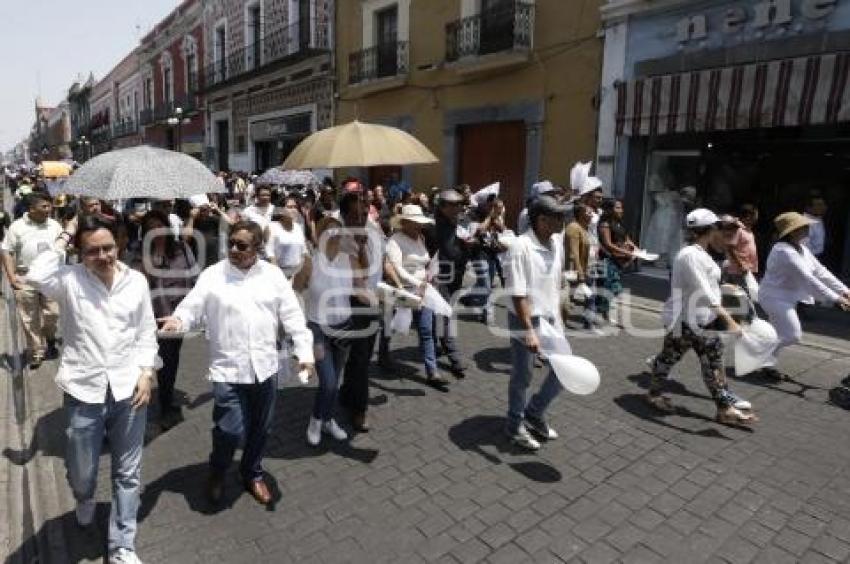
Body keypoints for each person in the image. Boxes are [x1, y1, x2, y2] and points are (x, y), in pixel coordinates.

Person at [26, 215, 158, 564]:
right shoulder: (68, 280)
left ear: (119, 244)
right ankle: (84, 498)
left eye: (108, 247)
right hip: (84, 391)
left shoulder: (137, 282)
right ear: (79, 253)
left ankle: (122, 545)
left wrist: (147, 371)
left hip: (131, 389)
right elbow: (36, 275)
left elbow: (146, 332)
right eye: (92, 251)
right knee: (82, 471)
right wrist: (63, 235)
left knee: (128, 472)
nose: (103, 256)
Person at [159, 220, 314, 505]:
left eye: (241, 245)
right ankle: (218, 470)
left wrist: (304, 352)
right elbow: (193, 305)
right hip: (228, 369)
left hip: (265, 368)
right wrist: (179, 319)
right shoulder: (213, 275)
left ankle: (252, 473)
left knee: (261, 429)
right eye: (230, 243)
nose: (233, 249)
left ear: (257, 248)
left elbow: (292, 315)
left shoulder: (273, 276)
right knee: (229, 430)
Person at [645, 209, 756, 424]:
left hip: (703, 320)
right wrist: (730, 321)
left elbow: (710, 286)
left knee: (714, 363)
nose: (722, 233)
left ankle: (724, 409)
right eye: (719, 228)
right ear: (711, 229)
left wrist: (727, 289)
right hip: (683, 322)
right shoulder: (690, 256)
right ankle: (653, 393)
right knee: (668, 359)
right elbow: (703, 292)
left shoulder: (702, 254)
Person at [504, 195, 570, 450]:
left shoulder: (555, 243)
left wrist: (558, 321)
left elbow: (553, 286)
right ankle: (514, 425)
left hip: (549, 317)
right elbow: (518, 293)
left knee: (565, 370)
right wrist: (528, 331)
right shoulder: (520, 247)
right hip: (526, 318)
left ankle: (534, 411)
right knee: (523, 376)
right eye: (558, 216)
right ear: (541, 220)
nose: (563, 220)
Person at [293, 216, 363, 446]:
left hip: (343, 326)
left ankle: (328, 420)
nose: (333, 235)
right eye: (327, 231)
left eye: (337, 231)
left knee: (337, 376)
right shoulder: (310, 261)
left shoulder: (349, 260)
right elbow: (294, 291)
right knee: (329, 382)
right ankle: (315, 421)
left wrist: (391, 299)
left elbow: (361, 291)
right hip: (317, 327)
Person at [758, 212, 850, 378]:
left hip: (787, 298)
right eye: (803, 226)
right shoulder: (784, 251)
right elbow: (808, 279)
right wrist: (835, 299)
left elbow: (821, 272)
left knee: (779, 334)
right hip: (774, 298)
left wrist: (845, 291)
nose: (808, 228)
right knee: (792, 335)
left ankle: (766, 365)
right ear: (792, 231)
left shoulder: (801, 248)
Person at [134, 210, 198, 429]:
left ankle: (165, 400)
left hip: (178, 313)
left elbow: (194, 276)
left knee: (170, 359)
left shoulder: (181, 248)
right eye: (150, 227)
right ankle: (161, 403)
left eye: (158, 226)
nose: (156, 231)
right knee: (158, 358)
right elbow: (135, 284)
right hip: (152, 315)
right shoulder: (140, 253)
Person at [337, 190, 387, 432]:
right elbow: (356, 276)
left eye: (365, 213)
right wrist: (360, 247)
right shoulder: (337, 237)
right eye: (356, 215)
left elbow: (384, 263)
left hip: (374, 300)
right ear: (344, 215)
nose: (361, 218)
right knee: (359, 359)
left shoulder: (374, 231)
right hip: (352, 302)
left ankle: (348, 393)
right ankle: (359, 409)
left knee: (364, 356)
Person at [386, 204, 446, 386]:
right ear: (404, 223)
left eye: (420, 222)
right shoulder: (395, 240)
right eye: (415, 222)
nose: (420, 226)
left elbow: (425, 262)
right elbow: (397, 268)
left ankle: (432, 370)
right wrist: (416, 283)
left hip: (423, 289)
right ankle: (383, 355)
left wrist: (429, 275)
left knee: (426, 330)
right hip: (403, 290)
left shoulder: (420, 237)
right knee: (391, 327)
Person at [1, 192, 62, 368]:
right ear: (31, 209)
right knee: (29, 318)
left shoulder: (54, 225)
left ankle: (49, 337)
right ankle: (37, 352)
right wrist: (12, 277)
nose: (49, 209)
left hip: (51, 277)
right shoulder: (17, 227)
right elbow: (6, 251)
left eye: (49, 206)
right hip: (25, 277)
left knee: (53, 313)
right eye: (44, 206)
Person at [433, 189, 470, 378]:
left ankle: (433, 345)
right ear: (443, 206)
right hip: (441, 276)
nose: (458, 208)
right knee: (445, 315)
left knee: (442, 313)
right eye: (454, 205)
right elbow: (450, 251)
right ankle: (454, 357)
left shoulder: (454, 222)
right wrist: (466, 246)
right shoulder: (439, 225)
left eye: (459, 204)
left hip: (455, 274)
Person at [595, 199, 635, 326]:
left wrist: (637, 250)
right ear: (610, 210)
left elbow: (627, 239)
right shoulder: (605, 224)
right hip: (607, 260)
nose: (621, 210)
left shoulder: (619, 223)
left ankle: (603, 313)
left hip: (618, 261)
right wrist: (626, 253)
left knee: (611, 289)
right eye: (617, 208)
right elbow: (607, 244)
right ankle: (603, 313)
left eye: (621, 208)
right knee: (611, 288)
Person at [564, 202, 592, 324]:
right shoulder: (574, 228)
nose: (591, 215)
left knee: (583, 298)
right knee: (566, 300)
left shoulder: (583, 228)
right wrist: (579, 273)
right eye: (588, 212)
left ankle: (588, 322)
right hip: (573, 272)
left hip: (583, 270)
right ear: (580, 214)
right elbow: (573, 253)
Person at [266, 196, 307, 279]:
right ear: (280, 210)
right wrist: (279, 276)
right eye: (290, 207)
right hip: (279, 274)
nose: (294, 210)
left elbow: (304, 251)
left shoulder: (298, 227)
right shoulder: (272, 227)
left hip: (297, 274)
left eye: (295, 207)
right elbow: (269, 254)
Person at [722, 205, 759, 286]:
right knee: (743, 294)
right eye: (755, 215)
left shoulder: (749, 231)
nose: (756, 218)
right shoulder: (739, 230)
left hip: (748, 268)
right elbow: (730, 248)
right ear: (748, 216)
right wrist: (741, 264)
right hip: (739, 270)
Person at [802, 195, 827, 260]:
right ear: (808, 208)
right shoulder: (804, 223)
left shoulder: (818, 218)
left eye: (823, 204)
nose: (823, 207)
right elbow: (804, 247)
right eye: (819, 205)